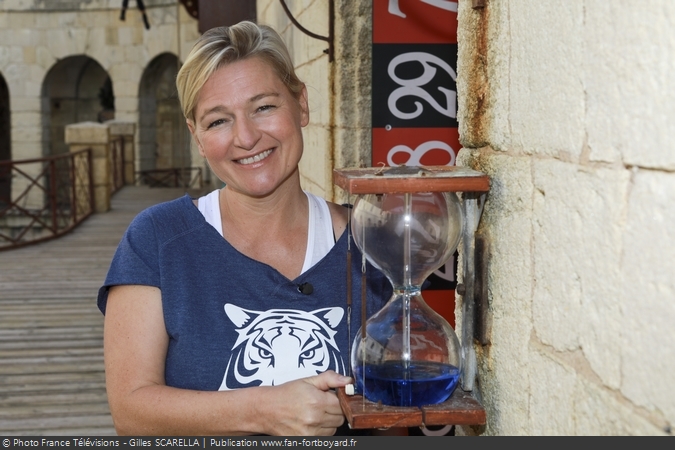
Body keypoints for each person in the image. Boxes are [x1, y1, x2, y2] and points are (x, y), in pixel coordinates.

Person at [97, 21, 392, 436]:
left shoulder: (370, 241)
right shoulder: (157, 239)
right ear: (197, 138)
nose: (247, 137)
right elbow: (131, 411)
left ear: (301, 105)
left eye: (264, 107)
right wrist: (263, 409)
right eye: (218, 121)